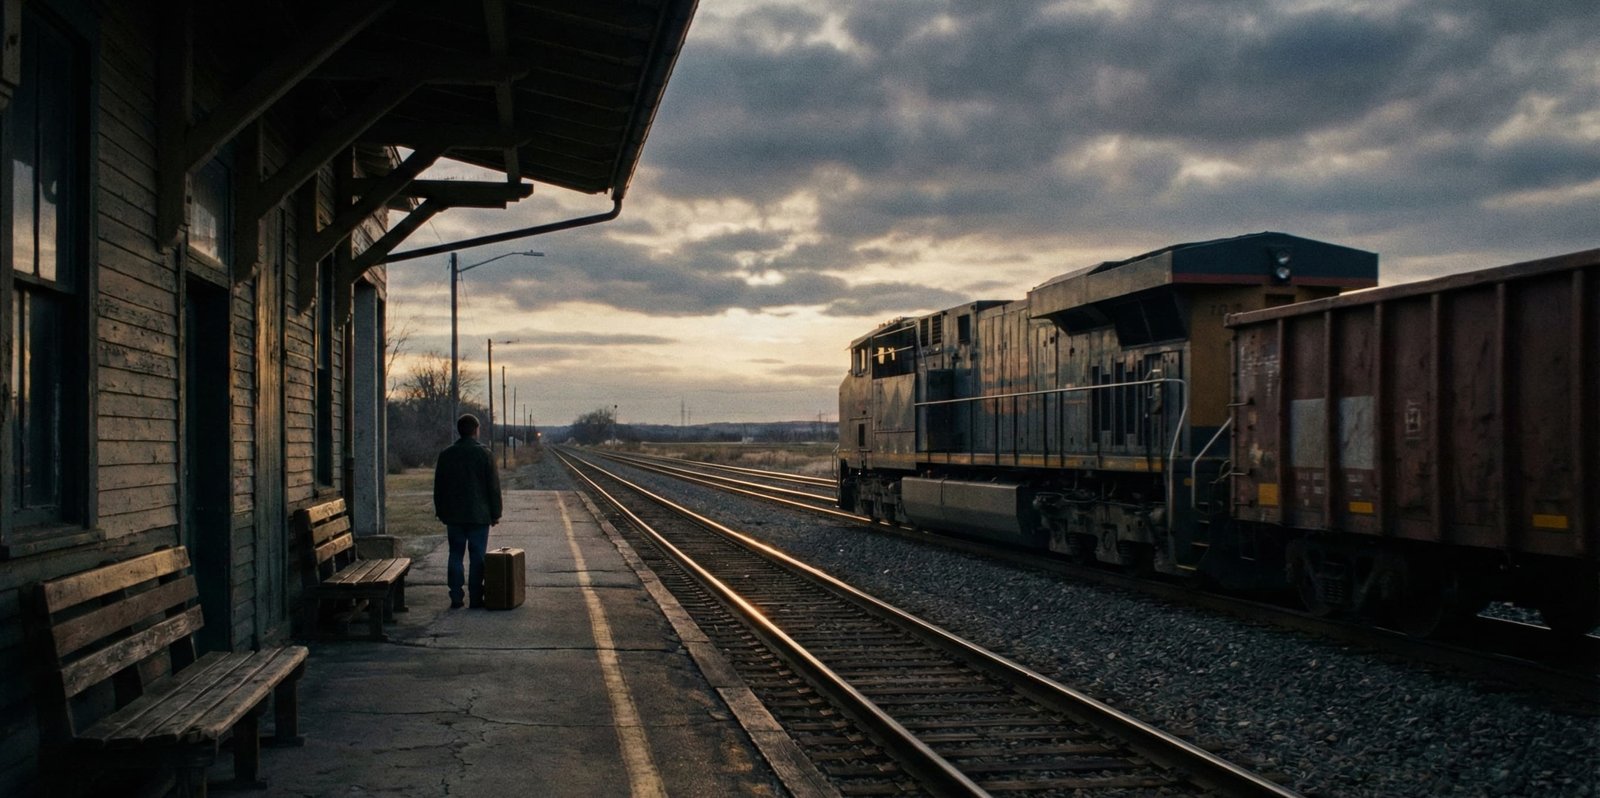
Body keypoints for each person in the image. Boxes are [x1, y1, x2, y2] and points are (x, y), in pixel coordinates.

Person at [433, 414, 502, 608]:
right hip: (479, 516)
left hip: (454, 516)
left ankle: (455, 596)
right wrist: (495, 513)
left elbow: (439, 486)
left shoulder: (446, 454)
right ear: (476, 430)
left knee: (455, 554)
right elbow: (493, 488)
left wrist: (441, 511)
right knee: (477, 556)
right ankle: (475, 596)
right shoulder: (484, 454)